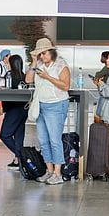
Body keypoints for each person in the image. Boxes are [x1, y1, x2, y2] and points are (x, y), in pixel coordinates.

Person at [25, 38, 71, 185]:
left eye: (44, 53)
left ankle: (58, 174)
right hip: (42, 106)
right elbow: (28, 80)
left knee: (54, 140)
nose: (42, 56)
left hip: (56, 106)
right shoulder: (37, 64)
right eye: (39, 54)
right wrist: (33, 62)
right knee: (43, 140)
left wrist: (48, 77)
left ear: (51, 52)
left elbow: (65, 86)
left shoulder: (61, 65)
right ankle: (49, 171)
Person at [0, 55, 28, 169]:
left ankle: (22, 156)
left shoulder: (9, 75)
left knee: (4, 135)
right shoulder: (25, 77)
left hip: (13, 109)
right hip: (24, 109)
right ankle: (17, 160)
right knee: (18, 136)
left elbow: (5, 89)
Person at [94, 51, 109, 122]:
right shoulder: (108, 67)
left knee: (99, 113)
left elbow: (98, 75)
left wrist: (98, 75)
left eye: (102, 57)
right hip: (105, 91)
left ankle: (101, 129)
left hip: (105, 92)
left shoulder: (107, 67)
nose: (100, 59)